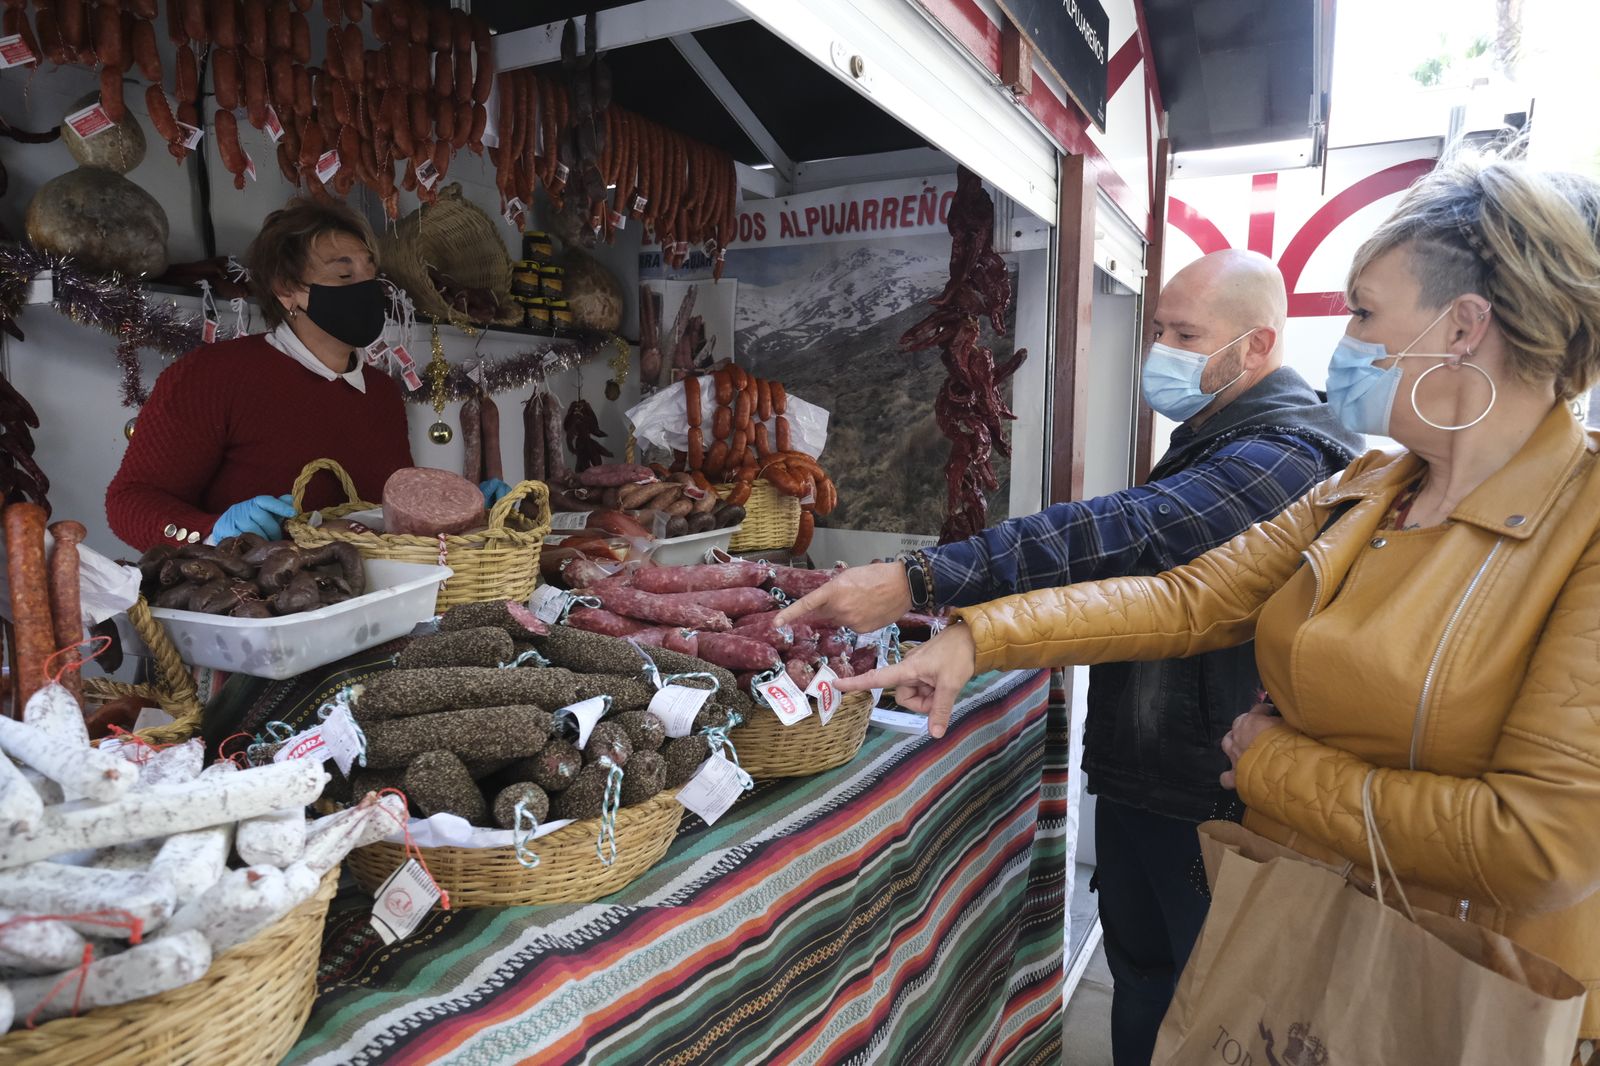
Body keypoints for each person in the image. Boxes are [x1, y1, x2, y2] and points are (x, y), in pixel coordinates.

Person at [839, 156, 1600, 1058]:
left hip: (1445, 981)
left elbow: (1542, 844)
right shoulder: (1371, 488)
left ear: (1464, 327)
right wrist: (978, 637)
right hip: (1297, 916)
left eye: (1363, 311)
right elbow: (1191, 598)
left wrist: (1275, 770)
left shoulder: (1579, 528)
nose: (1347, 342)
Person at [779, 249, 1361, 1064]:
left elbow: (1130, 532)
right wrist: (972, 633)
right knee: (1146, 982)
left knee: (1210, 1007)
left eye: (1185, 333)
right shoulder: (1216, 434)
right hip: (1155, 775)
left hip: (1214, 793)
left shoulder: (1289, 456)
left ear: (1258, 346)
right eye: (1158, 328)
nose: (1162, 348)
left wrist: (927, 579)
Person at [106, 198, 506, 552]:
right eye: (344, 276)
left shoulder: (381, 392)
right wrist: (210, 532)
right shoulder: (212, 375)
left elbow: (383, 518)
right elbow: (130, 501)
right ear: (286, 290)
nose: (366, 290)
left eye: (371, 274)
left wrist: (463, 510)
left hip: (365, 606)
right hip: (253, 610)